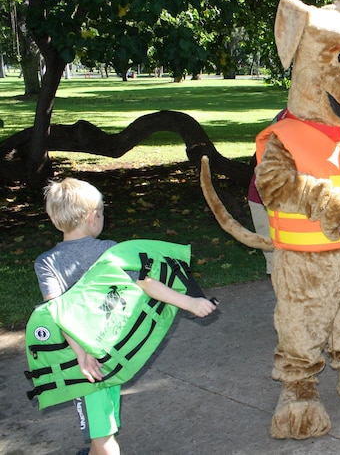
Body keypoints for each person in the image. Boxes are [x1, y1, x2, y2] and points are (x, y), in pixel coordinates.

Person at [34, 178, 217, 455]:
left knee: (102, 432)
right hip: (105, 355)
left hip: (79, 358)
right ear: (93, 217)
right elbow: (146, 283)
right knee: (103, 433)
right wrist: (190, 302)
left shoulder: (47, 262)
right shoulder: (111, 250)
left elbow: (57, 311)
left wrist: (82, 350)